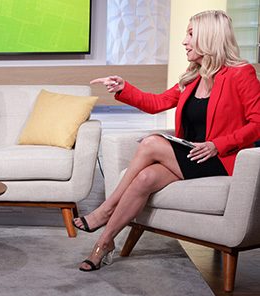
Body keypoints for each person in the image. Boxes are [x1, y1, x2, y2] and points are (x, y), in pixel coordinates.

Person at [78, 10, 260, 271]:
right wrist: (123, 88)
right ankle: (104, 243)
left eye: (190, 34)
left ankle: (106, 209)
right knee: (144, 179)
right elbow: (157, 103)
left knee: (151, 142)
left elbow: (258, 123)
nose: (184, 41)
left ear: (209, 38)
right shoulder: (193, 76)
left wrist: (217, 145)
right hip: (191, 156)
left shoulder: (241, 74)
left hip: (220, 159)